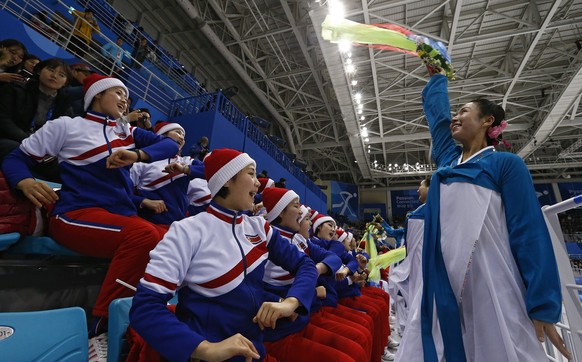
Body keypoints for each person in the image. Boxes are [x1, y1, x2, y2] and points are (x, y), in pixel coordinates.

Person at [1, 74, 179, 358]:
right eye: (119, 93)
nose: (125, 100)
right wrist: (25, 181)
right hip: (74, 215)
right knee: (145, 234)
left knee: (166, 236)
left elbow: (170, 146)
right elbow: (14, 158)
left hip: (117, 217)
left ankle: (144, 322)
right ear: (97, 95)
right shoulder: (67, 126)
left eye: (127, 97)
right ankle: (101, 328)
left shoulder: (127, 133)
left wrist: (137, 156)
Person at [399, 67, 571, 361]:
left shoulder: (505, 164)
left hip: (491, 281)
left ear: (487, 121)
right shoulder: (447, 160)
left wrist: (543, 304)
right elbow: (439, 120)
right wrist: (437, 76)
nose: (456, 116)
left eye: (464, 111)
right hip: (442, 282)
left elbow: (528, 230)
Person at [129, 148, 318, 362]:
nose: (258, 184)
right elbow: (145, 308)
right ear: (227, 180)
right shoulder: (187, 230)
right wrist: (206, 348)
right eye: (251, 174)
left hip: (256, 351)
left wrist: (291, 302)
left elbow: (305, 264)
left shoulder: (259, 228)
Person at [261, 188, 368, 362]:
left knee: (358, 342)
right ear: (280, 211)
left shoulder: (298, 240)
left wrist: (317, 270)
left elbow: (333, 257)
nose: (305, 217)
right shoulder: (267, 240)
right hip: (283, 328)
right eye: (297, 207)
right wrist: (311, 291)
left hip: (302, 317)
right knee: (354, 348)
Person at [0, 58, 74, 179]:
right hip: (13, 139)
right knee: (12, 148)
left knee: (66, 169)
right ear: (39, 71)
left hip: (42, 150)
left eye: (61, 75)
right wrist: (28, 141)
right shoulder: (16, 89)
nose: (54, 76)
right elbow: (3, 119)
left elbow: (66, 137)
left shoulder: (65, 106)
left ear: (65, 83)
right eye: (50, 70)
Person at [130, 122, 204, 226]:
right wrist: (143, 201)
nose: (182, 138)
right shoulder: (142, 162)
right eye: (178, 132)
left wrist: (185, 169)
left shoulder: (186, 161)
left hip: (174, 228)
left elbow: (210, 170)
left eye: (183, 136)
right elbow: (122, 193)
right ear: (162, 136)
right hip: (147, 223)